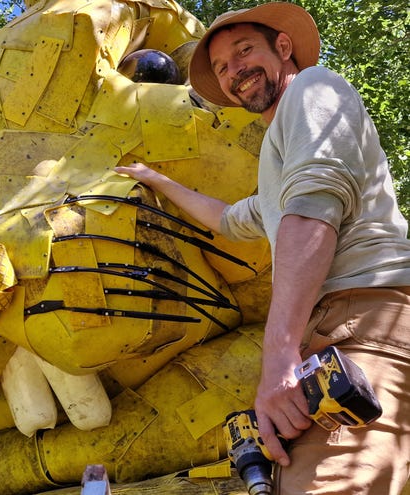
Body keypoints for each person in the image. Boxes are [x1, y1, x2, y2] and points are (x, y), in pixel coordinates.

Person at [115, 3, 410, 494]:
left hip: (364, 318)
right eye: (223, 68)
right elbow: (232, 219)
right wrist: (156, 180)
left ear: (284, 48)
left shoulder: (315, 89)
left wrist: (279, 356)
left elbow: (311, 212)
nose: (235, 72)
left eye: (244, 50)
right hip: (354, 329)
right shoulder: (282, 149)